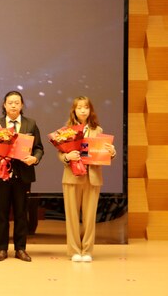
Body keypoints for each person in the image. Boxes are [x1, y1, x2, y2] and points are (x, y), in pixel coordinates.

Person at [59, 96, 116, 262]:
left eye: (86, 107)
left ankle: (87, 251)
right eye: (79, 107)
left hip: (92, 177)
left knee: (90, 217)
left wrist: (111, 152)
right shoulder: (67, 130)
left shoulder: (98, 130)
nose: (83, 110)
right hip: (72, 177)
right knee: (72, 217)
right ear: (74, 110)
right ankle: (74, 251)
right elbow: (61, 153)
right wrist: (67, 156)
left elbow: (103, 153)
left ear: (90, 110)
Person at [0, 90, 43, 262]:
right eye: (10, 102)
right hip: (2, 175)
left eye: (17, 102)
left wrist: (35, 158)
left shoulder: (30, 124)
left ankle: (20, 248)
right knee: (1, 213)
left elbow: (39, 148)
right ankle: (1, 249)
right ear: (4, 105)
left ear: (22, 105)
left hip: (23, 175)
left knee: (21, 213)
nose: (13, 105)